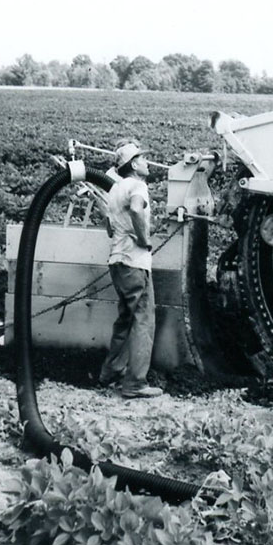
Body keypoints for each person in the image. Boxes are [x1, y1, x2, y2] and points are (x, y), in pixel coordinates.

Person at [98, 141, 163, 398]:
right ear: (134, 165)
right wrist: (144, 238)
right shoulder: (138, 186)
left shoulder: (114, 190)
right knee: (143, 320)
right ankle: (135, 383)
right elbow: (136, 209)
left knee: (125, 319)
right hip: (135, 263)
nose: (147, 163)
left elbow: (110, 227)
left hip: (117, 261)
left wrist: (134, 230)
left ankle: (110, 372)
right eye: (143, 159)